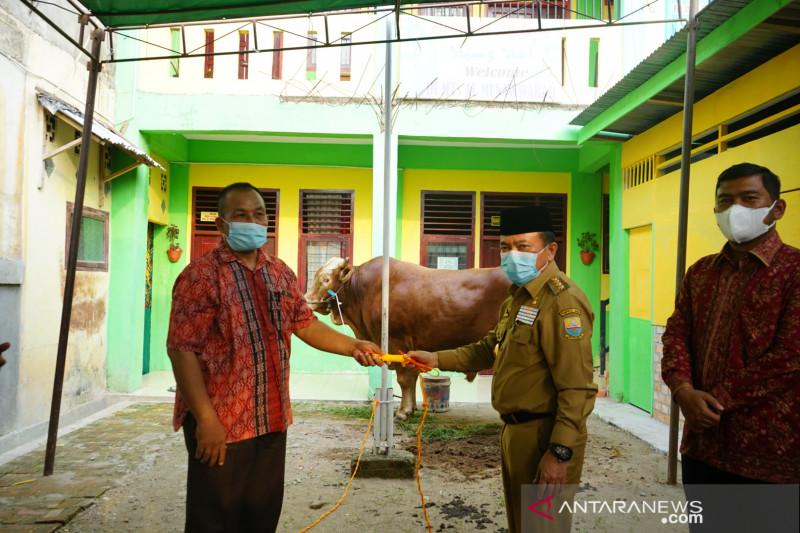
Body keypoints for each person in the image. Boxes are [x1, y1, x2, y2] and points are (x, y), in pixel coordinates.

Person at [167, 182, 384, 533]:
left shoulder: (279, 272)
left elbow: (305, 323)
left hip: (271, 417)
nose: (252, 222)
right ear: (221, 224)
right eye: (240, 215)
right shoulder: (200, 276)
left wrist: (355, 346)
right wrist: (206, 420)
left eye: (258, 215)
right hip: (222, 422)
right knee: (214, 518)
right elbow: (181, 349)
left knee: (261, 515)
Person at [408, 206, 597, 533]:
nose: (512, 255)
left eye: (523, 247)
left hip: (545, 436)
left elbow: (577, 389)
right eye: (506, 247)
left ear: (550, 250)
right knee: (523, 526)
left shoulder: (563, 303)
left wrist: (559, 452)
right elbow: (487, 349)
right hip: (515, 433)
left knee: (544, 528)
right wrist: (436, 359)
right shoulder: (518, 300)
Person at [662, 163, 800, 486]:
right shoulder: (700, 273)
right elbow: (676, 336)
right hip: (701, 450)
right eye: (725, 201)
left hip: (769, 460)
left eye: (749, 198)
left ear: (776, 208)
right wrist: (683, 392)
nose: (735, 209)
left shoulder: (794, 271)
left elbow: (791, 357)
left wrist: (713, 399)